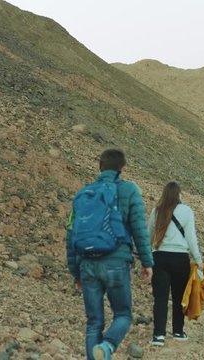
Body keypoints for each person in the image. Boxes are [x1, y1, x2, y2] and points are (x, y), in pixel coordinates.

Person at [66, 149, 154, 360]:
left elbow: (71, 235)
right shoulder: (129, 190)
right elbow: (139, 229)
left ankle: (96, 353)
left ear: (100, 167)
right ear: (122, 169)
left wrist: (75, 271)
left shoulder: (84, 194)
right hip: (116, 262)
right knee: (123, 315)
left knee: (94, 322)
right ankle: (107, 347)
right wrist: (147, 262)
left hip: (87, 264)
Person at [147, 181, 204, 346]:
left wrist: (145, 257)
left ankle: (158, 335)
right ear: (179, 194)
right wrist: (198, 260)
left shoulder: (156, 210)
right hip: (180, 258)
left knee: (160, 298)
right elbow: (191, 238)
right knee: (179, 297)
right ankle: (178, 331)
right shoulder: (187, 211)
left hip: (160, 257)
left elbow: (148, 234)